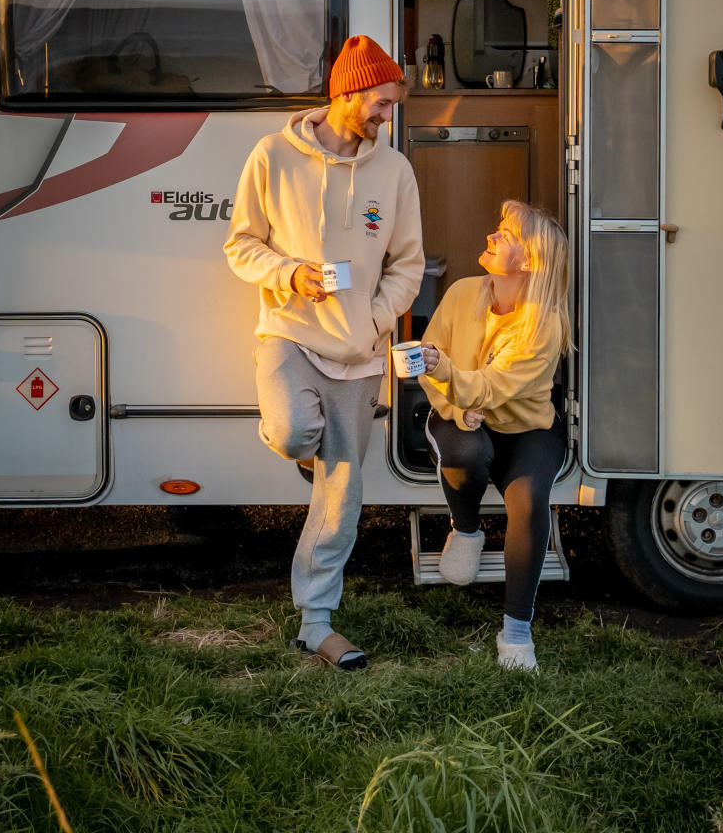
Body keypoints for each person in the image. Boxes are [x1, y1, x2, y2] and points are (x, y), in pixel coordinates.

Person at [224, 35, 424, 670]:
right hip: (289, 331)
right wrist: (288, 273)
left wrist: (373, 317)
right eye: (383, 103)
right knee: (288, 433)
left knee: (342, 496)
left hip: (359, 352)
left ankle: (316, 621)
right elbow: (241, 245)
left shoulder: (394, 172)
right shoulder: (272, 155)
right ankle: (310, 457)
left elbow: (408, 264)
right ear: (347, 93)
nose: (386, 117)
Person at [419, 200, 570, 671]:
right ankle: (465, 531)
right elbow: (428, 359)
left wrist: (447, 373)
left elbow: (489, 385)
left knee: (528, 503)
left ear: (529, 261)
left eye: (505, 234)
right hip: (460, 412)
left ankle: (517, 633)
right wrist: (454, 407)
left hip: (527, 429)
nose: (491, 236)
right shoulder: (464, 291)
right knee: (464, 449)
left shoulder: (542, 324)